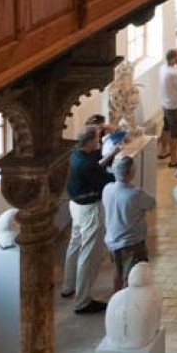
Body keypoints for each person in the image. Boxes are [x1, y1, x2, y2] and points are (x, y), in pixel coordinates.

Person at [62, 125, 121, 314]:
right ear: (89, 142)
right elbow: (106, 179)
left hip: (75, 205)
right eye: (97, 138)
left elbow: (95, 164)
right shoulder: (86, 165)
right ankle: (83, 301)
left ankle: (68, 286)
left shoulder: (75, 154)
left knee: (75, 245)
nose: (99, 141)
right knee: (89, 254)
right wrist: (121, 169)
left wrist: (110, 154)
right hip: (89, 209)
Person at [102, 155, 157, 292]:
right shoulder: (135, 194)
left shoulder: (107, 189)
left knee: (118, 272)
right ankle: (126, 301)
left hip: (112, 240)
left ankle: (116, 298)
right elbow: (151, 204)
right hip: (131, 243)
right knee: (131, 277)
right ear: (130, 173)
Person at [158, 48, 177, 166]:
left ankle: (163, 150)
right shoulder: (173, 73)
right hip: (175, 106)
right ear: (174, 59)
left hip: (166, 104)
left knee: (166, 127)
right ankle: (174, 160)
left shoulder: (162, 68)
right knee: (175, 133)